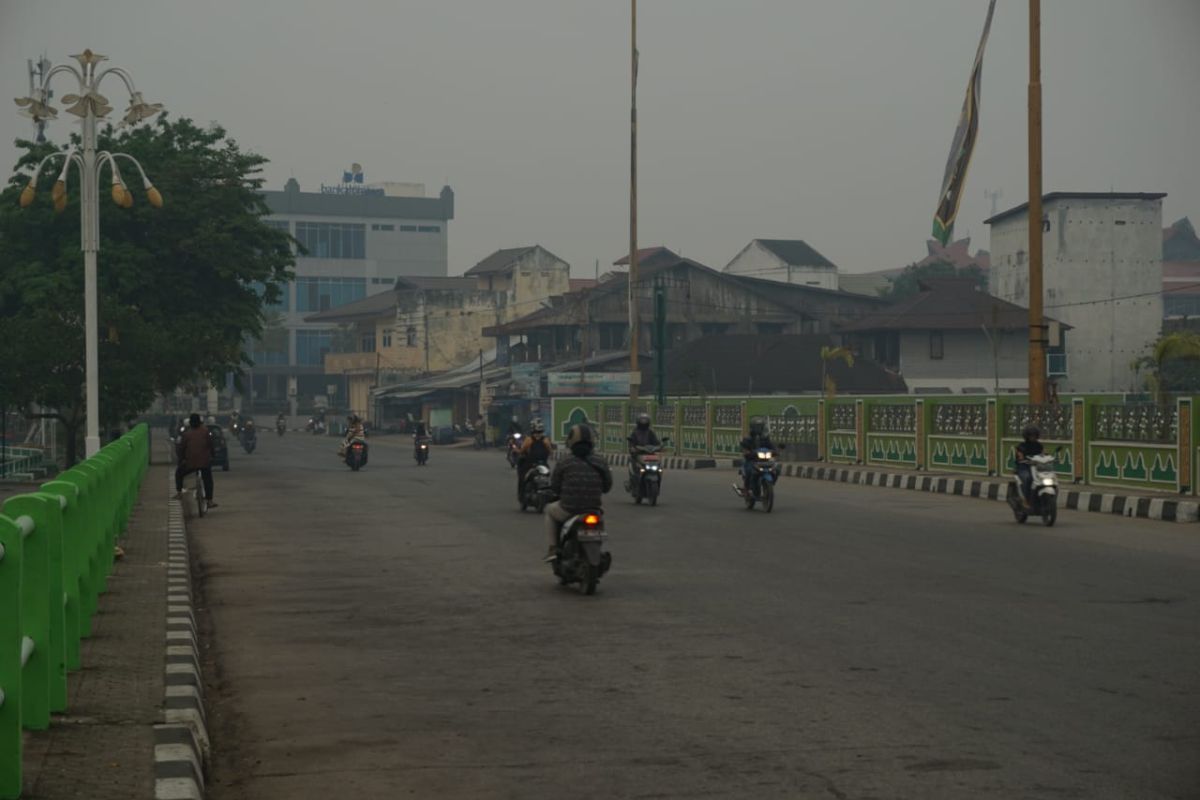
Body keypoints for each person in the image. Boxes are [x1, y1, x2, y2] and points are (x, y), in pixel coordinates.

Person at [544, 424, 612, 562]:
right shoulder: (600, 461)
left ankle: (553, 547)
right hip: (593, 509)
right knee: (600, 520)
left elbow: (555, 486)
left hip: (569, 509)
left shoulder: (565, 461)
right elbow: (607, 486)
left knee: (549, 510)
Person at [174, 413, 217, 507]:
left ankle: (179, 493)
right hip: (205, 463)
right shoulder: (205, 432)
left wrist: (181, 460)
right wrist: (213, 456)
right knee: (208, 480)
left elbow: (181, 449)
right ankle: (209, 500)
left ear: (190, 423)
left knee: (178, 473)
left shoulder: (186, 434)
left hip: (190, 463)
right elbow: (211, 446)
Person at [517, 418, 554, 501]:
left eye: (539, 433)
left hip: (530, 465)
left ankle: (522, 496)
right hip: (543, 464)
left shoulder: (528, 440)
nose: (538, 434)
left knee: (522, 478)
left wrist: (518, 451)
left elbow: (522, 451)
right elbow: (551, 452)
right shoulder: (546, 440)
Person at [738, 417, 776, 495]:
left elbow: (771, 447)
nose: (758, 429)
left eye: (760, 426)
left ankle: (769, 484)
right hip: (752, 460)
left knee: (776, 471)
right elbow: (743, 447)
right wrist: (746, 452)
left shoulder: (765, 439)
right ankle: (746, 488)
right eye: (756, 427)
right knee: (749, 471)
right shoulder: (748, 439)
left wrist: (776, 451)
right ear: (752, 427)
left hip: (765, 461)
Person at [626, 412, 661, 487]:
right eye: (642, 421)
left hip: (649, 453)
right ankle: (633, 479)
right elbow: (631, 442)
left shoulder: (650, 432)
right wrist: (632, 448)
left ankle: (657, 475)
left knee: (658, 464)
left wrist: (659, 446)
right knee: (632, 461)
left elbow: (656, 442)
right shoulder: (635, 432)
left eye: (645, 421)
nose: (644, 423)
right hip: (638, 453)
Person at [1014, 425, 1044, 507]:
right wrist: (1021, 458)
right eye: (1031, 435)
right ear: (1026, 436)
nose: (1033, 437)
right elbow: (1019, 455)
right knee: (1028, 478)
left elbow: (1043, 455)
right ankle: (1025, 499)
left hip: (1036, 468)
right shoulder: (1021, 446)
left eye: (1034, 435)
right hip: (1024, 467)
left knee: (1044, 477)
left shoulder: (1039, 445)